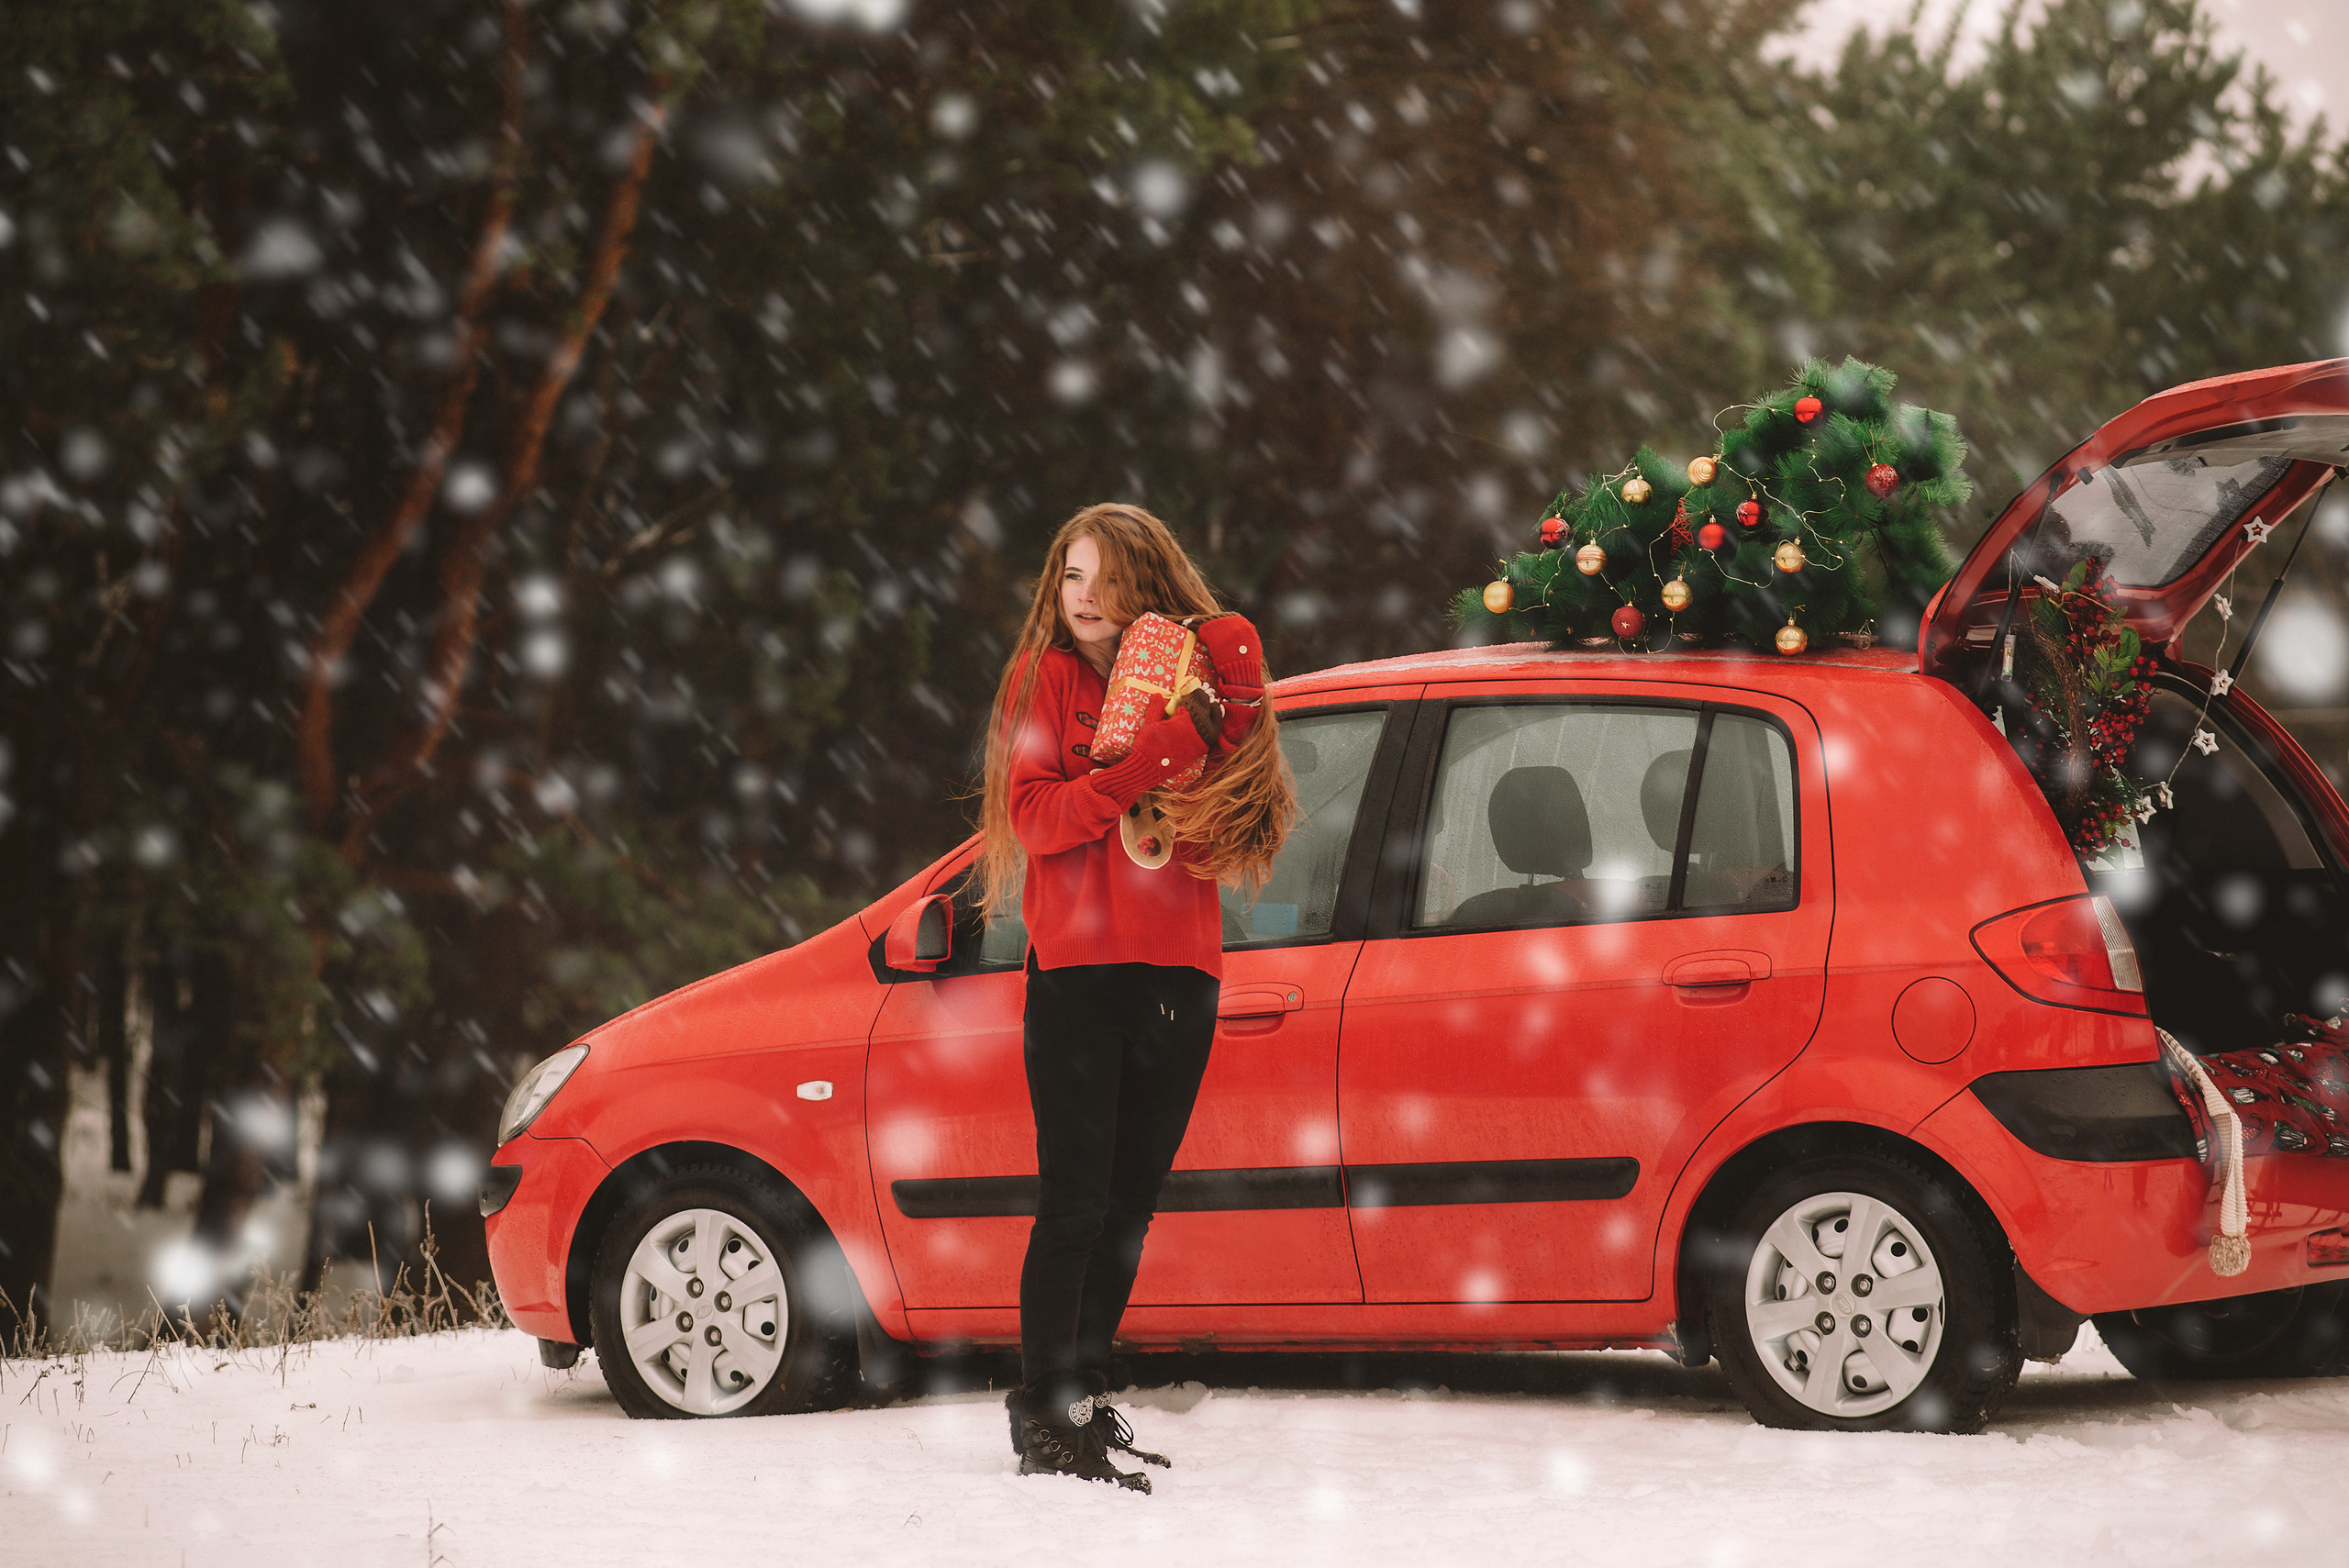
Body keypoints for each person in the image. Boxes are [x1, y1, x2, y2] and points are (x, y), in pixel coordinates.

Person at [976, 503, 1293, 1491]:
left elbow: (1231, 831)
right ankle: (1040, 1415)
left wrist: (1225, 731)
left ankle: (1078, 1397)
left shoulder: (1201, 675)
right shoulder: (1045, 679)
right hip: (1076, 972)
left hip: (1180, 971)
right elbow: (1036, 818)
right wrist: (1152, 753)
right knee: (1072, 1201)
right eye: (1070, 576)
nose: (1085, 598)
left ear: (1145, 586)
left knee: (1128, 1207)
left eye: (1105, 578)